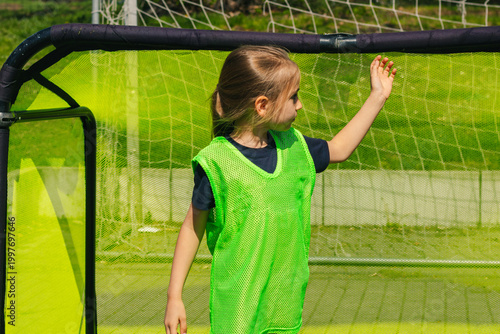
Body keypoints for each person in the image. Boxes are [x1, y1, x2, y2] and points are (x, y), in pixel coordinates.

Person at [164, 46, 396, 334]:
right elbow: (191, 227)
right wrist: (175, 297)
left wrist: (378, 96)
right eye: (293, 97)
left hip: (284, 308)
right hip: (237, 311)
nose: (300, 105)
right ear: (262, 105)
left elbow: (339, 148)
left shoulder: (295, 145)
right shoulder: (217, 163)